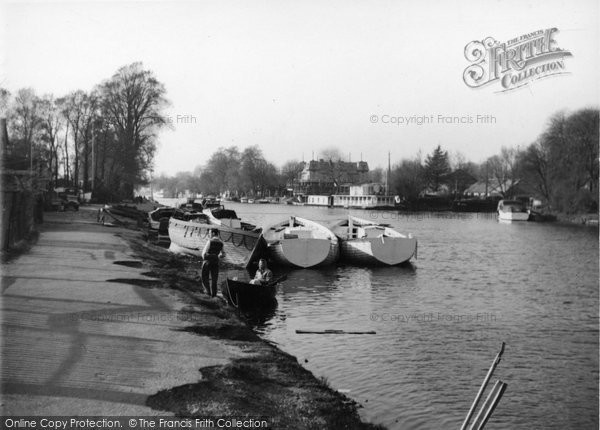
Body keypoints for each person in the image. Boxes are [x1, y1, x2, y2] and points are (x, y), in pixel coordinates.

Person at [201, 229, 225, 297]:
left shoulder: (210, 241)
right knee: (214, 279)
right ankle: (214, 294)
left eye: (210, 233)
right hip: (215, 262)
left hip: (207, 261)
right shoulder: (221, 243)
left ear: (214, 233)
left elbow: (204, 254)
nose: (209, 234)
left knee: (205, 277)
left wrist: (206, 257)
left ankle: (207, 292)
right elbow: (224, 254)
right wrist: (217, 256)